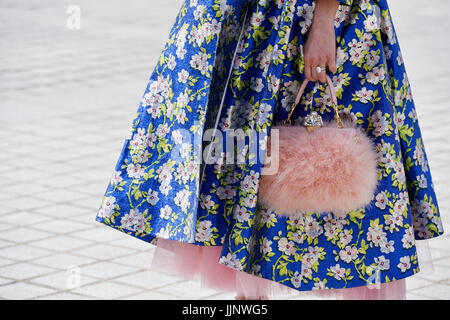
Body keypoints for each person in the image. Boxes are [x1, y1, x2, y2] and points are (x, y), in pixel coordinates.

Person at [96, 0, 444, 300]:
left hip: (309, 17)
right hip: (240, 21)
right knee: (238, 166)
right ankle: (251, 295)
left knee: (340, 167)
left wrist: (325, 17)